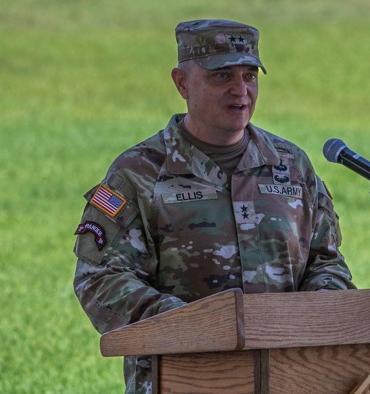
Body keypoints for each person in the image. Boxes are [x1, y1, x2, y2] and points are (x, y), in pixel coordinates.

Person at [72, 19, 355, 393]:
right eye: (222, 76)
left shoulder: (292, 165)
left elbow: (327, 261)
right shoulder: (138, 173)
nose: (241, 91)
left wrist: (314, 315)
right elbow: (98, 279)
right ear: (181, 83)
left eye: (250, 76)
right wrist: (191, 325)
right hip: (180, 378)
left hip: (288, 378)